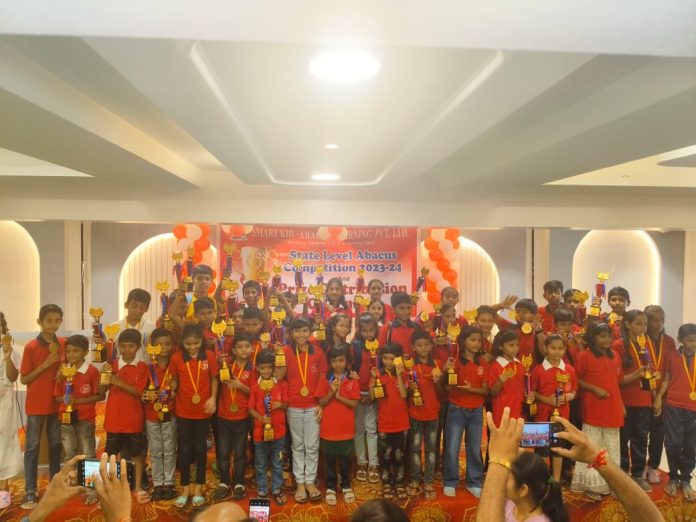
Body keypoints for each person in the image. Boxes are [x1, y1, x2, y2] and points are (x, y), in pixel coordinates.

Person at [477, 408, 664, 522]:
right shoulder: (511, 503)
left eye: (507, 478)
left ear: (523, 490)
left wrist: (497, 462)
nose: (502, 481)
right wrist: (597, 457)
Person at [571, 322, 624, 500]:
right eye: (602, 336)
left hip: (613, 408)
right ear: (592, 337)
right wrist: (594, 389)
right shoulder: (584, 356)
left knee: (612, 447)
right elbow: (576, 380)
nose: (607, 339)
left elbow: (616, 382)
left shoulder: (615, 355)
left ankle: (613, 484)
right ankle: (592, 485)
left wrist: (621, 405)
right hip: (594, 408)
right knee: (594, 447)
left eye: (609, 335)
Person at [20, 304, 66, 510]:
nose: (53, 324)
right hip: (36, 404)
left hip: (57, 402)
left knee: (56, 444)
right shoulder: (31, 347)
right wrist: (46, 364)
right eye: (49, 320)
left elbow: (70, 364)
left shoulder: (63, 343)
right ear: (40, 322)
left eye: (57, 320)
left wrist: (64, 366)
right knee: (32, 447)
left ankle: (55, 484)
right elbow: (24, 378)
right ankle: (30, 489)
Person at [276, 317, 326, 503]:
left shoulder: (318, 352)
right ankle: (300, 483)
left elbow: (322, 377)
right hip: (294, 405)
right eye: (296, 331)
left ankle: (310, 482)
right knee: (297, 445)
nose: (301, 335)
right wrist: (279, 357)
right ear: (291, 333)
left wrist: (320, 403)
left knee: (312, 446)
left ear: (310, 332)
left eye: (305, 330)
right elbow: (279, 376)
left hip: (313, 405)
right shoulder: (286, 351)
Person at [169, 322, 219, 508]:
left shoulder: (209, 356)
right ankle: (185, 488)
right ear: (182, 342)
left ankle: (198, 487)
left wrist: (213, 398)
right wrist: (170, 390)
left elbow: (214, 379)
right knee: (184, 449)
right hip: (183, 410)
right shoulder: (176, 358)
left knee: (200, 448)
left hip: (203, 411)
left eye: (196, 343)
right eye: (188, 344)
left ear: (201, 341)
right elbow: (174, 381)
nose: (192, 347)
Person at [100, 328, 150, 504]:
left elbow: (138, 391)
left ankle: (137, 487)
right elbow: (101, 391)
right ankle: (109, 488)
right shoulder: (111, 365)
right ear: (118, 347)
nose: (126, 350)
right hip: (113, 419)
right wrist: (104, 376)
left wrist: (117, 381)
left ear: (138, 347)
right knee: (111, 456)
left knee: (137, 455)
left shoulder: (142, 367)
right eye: (123, 346)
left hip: (133, 419)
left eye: (131, 346)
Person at [53, 334, 104, 505]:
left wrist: (78, 401)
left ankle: (91, 489)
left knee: (88, 454)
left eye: (75, 351)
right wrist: (64, 399)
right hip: (66, 419)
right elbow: (57, 397)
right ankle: (73, 486)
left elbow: (99, 395)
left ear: (85, 352)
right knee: (70, 454)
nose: (71, 355)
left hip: (85, 419)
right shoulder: (62, 371)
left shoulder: (91, 371)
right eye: (68, 351)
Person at [443, 326, 488, 498]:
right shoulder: (454, 361)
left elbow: (485, 390)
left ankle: (474, 482)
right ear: (463, 341)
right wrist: (446, 371)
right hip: (456, 408)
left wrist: (471, 389)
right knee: (452, 447)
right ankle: (450, 481)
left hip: (476, 410)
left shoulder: (483, 363)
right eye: (472, 340)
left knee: (474, 447)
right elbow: (447, 388)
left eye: (479, 340)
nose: (476, 343)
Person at [653, 323, 696, 501]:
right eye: (689, 340)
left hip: (694, 408)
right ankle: (673, 477)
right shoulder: (671, 355)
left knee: (691, 445)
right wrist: (658, 398)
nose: (693, 344)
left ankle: (686, 479)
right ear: (680, 340)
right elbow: (666, 378)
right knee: (673, 443)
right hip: (674, 405)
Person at [614, 309, 653, 491]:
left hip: (644, 400)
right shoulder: (619, 345)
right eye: (638, 323)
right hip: (625, 400)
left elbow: (651, 369)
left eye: (645, 324)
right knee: (622, 439)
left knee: (641, 439)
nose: (642, 328)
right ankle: (622, 474)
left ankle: (637, 474)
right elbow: (617, 379)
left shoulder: (647, 343)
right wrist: (637, 374)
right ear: (627, 324)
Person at [316, 344, 360, 505]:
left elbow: (353, 404)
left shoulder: (352, 379)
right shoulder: (324, 379)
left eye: (341, 360)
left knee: (345, 459)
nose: (337, 364)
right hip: (328, 429)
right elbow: (321, 402)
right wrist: (331, 392)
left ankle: (346, 485)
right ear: (330, 362)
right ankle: (331, 487)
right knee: (329, 460)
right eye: (334, 361)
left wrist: (338, 396)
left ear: (347, 361)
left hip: (346, 429)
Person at [531, 334, 577, 482]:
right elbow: (532, 392)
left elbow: (574, 390)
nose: (557, 352)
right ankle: (543, 480)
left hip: (562, 416)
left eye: (560, 349)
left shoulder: (569, 370)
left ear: (565, 349)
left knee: (558, 449)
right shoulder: (538, 369)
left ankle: (556, 481)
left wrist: (569, 396)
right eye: (553, 348)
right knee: (542, 451)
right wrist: (547, 400)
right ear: (545, 348)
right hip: (541, 416)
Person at [215, 333, 256, 501]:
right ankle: (224, 482)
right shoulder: (226, 366)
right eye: (239, 347)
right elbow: (215, 384)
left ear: (252, 348)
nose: (243, 350)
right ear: (233, 350)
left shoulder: (253, 369)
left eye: (247, 346)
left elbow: (256, 393)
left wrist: (240, 386)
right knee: (224, 452)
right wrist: (219, 364)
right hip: (223, 416)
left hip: (242, 417)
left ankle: (239, 482)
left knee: (240, 452)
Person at [248, 349, 288, 506]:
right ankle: (262, 489)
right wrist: (260, 418)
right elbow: (250, 408)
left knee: (277, 462)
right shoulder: (255, 387)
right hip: (260, 433)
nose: (266, 371)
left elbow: (286, 404)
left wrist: (279, 404)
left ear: (273, 368)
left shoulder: (281, 385)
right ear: (257, 368)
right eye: (262, 368)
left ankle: (277, 488)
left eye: (269, 368)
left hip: (279, 432)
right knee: (260, 462)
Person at [142, 327, 177, 501]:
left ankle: (169, 483)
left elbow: (178, 388)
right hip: (151, 414)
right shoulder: (147, 367)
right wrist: (146, 395)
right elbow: (141, 391)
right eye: (159, 344)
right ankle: (157, 483)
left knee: (169, 449)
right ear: (152, 346)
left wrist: (171, 394)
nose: (164, 347)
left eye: (167, 344)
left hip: (170, 413)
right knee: (155, 450)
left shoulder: (175, 365)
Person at [370, 342, 409, 500]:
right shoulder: (379, 375)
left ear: (398, 359)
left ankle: (399, 481)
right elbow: (372, 397)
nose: (388, 362)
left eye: (392, 359)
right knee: (385, 454)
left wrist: (399, 375)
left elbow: (404, 395)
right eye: (385, 358)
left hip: (401, 423)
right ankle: (386, 481)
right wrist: (373, 380)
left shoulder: (404, 374)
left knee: (399, 454)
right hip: (384, 423)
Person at [405, 330, 440, 500]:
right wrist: (409, 388)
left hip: (433, 413)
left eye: (426, 344)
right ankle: (415, 479)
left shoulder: (438, 365)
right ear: (413, 347)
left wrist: (439, 381)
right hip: (415, 413)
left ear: (432, 346)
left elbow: (443, 390)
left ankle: (428, 481)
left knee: (431, 449)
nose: (423, 348)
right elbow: (405, 392)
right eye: (419, 345)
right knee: (415, 449)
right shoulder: (409, 367)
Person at [643, 304, 674, 484]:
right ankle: (639, 465)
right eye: (655, 320)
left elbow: (669, 371)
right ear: (646, 321)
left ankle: (653, 466)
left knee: (658, 432)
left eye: (662, 320)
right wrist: (652, 393)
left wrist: (659, 397)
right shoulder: (640, 339)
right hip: (642, 392)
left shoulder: (669, 341)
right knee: (641, 432)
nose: (659, 323)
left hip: (662, 394)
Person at [351, 314, 381, 484]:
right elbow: (350, 370)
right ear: (359, 331)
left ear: (376, 330)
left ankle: (373, 465)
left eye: (371, 330)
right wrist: (357, 394)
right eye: (364, 331)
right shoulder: (355, 346)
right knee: (359, 429)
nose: (368, 334)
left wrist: (372, 394)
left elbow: (381, 371)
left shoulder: (379, 347)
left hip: (373, 394)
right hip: (358, 394)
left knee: (371, 430)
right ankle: (361, 463)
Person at [0, 315, 21, 509]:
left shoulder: (9, 350)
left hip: (4, 403)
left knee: (4, 442)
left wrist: (7, 358)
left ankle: (4, 489)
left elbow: (14, 377)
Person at [488, 330, 525, 427]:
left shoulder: (519, 364)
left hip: (519, 411)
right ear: (500, 346)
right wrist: (500, 381)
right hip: (502, 412)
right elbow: (492, 393)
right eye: (511, 345)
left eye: (517, 345)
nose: (515, 348)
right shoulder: (495, 366)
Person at [111, 288, 155, 362]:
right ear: (126, 305)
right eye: (134, 306)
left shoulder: (151, 327)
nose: (138, 310)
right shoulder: (113, 327)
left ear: (147, 309)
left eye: (142, 307)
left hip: (144, 367)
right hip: (121, 367)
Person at [378, 292, 417, 357]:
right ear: (393, 309)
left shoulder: (417, 327)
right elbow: (380, 354)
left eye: (409, 308)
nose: (406, 311)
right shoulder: (386, 329)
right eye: (401, 308)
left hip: (415, 364)